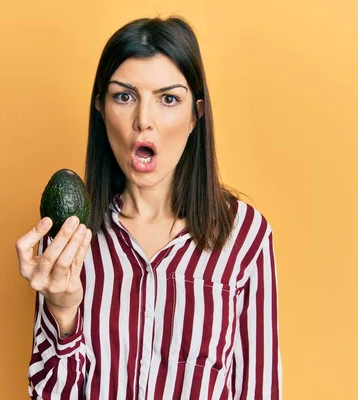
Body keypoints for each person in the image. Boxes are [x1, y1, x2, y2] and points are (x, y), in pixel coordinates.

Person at [15, 16, 282, 400]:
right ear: (101, 110)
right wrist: (63, 312)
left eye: (168, 99)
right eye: (124, 96)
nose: (144, 121)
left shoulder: (246, 237)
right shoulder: (68, 237)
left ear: (196, 115)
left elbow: (259, 391)